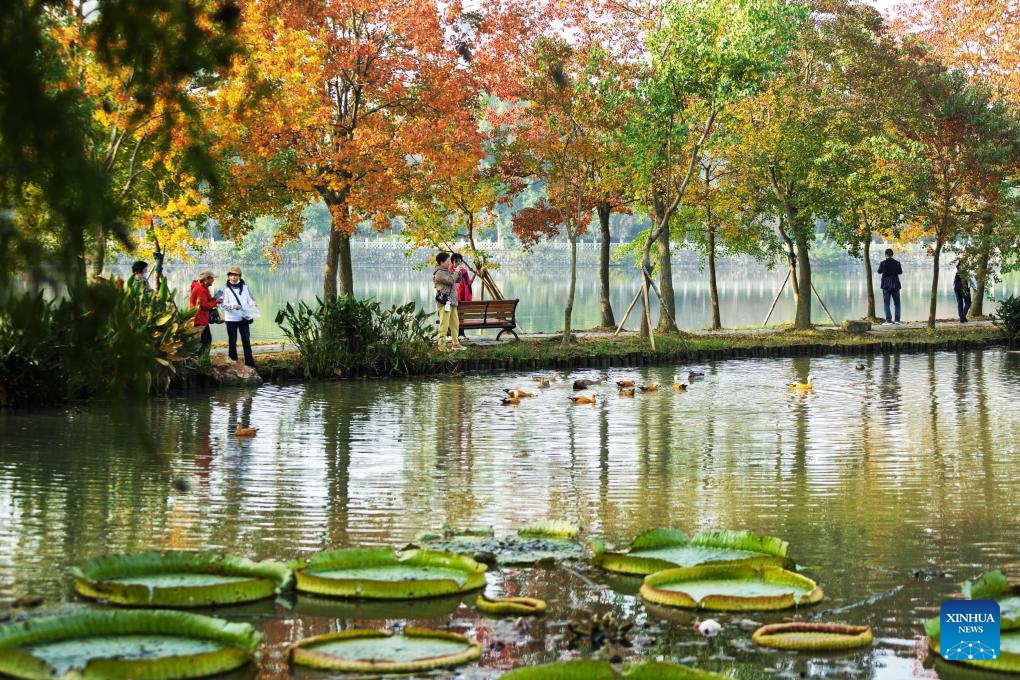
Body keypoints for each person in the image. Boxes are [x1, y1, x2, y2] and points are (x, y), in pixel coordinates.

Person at [221, 265, 257, 367]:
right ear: (228, 276)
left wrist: (253, 303)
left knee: (246, 340)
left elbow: (250, 299)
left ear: (240, 276)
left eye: (235, 275)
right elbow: (223, 305)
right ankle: (233, 363)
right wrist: (233, 306)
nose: (233, 277)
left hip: (244, 318)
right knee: (232, 341)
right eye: (231, 275)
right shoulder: (225, 289)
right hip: (231, 319)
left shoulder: (245, 287)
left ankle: (250, 363)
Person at [433, 252, 465, 352]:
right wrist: (456, 272)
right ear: (441, 262)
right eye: (447, 261)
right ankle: (441, 346)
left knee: (455, 324)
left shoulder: (446, 271)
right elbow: (450, 281)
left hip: (452, 302)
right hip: (445, 302)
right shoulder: (439, 273)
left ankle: (455, 344)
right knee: (444, 324)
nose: (449, 263)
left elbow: (456, 280)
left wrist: (458, 272)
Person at [189, 270, 219, 352]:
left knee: (206, 340)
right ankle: (200, 358)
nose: (213, 280)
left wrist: (213, 300)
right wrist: (215, 302)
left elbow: (205, 301)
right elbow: (203, 305)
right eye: (212, 278)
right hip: (199, 319)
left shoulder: (203, 287)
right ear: (206, 279)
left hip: (202, 319)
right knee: (202, 342)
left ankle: (203, 357)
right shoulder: (200, 289)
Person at [877, 248, 902, 326]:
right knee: (897, 303)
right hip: (895, 285)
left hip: (886, 285)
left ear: (885, 255)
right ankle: (897, 320)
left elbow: (879, 271)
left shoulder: (883, 263)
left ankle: (888, 321)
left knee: (886, 303)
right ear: (892, 254)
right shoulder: (897, 263)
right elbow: (900, 272)